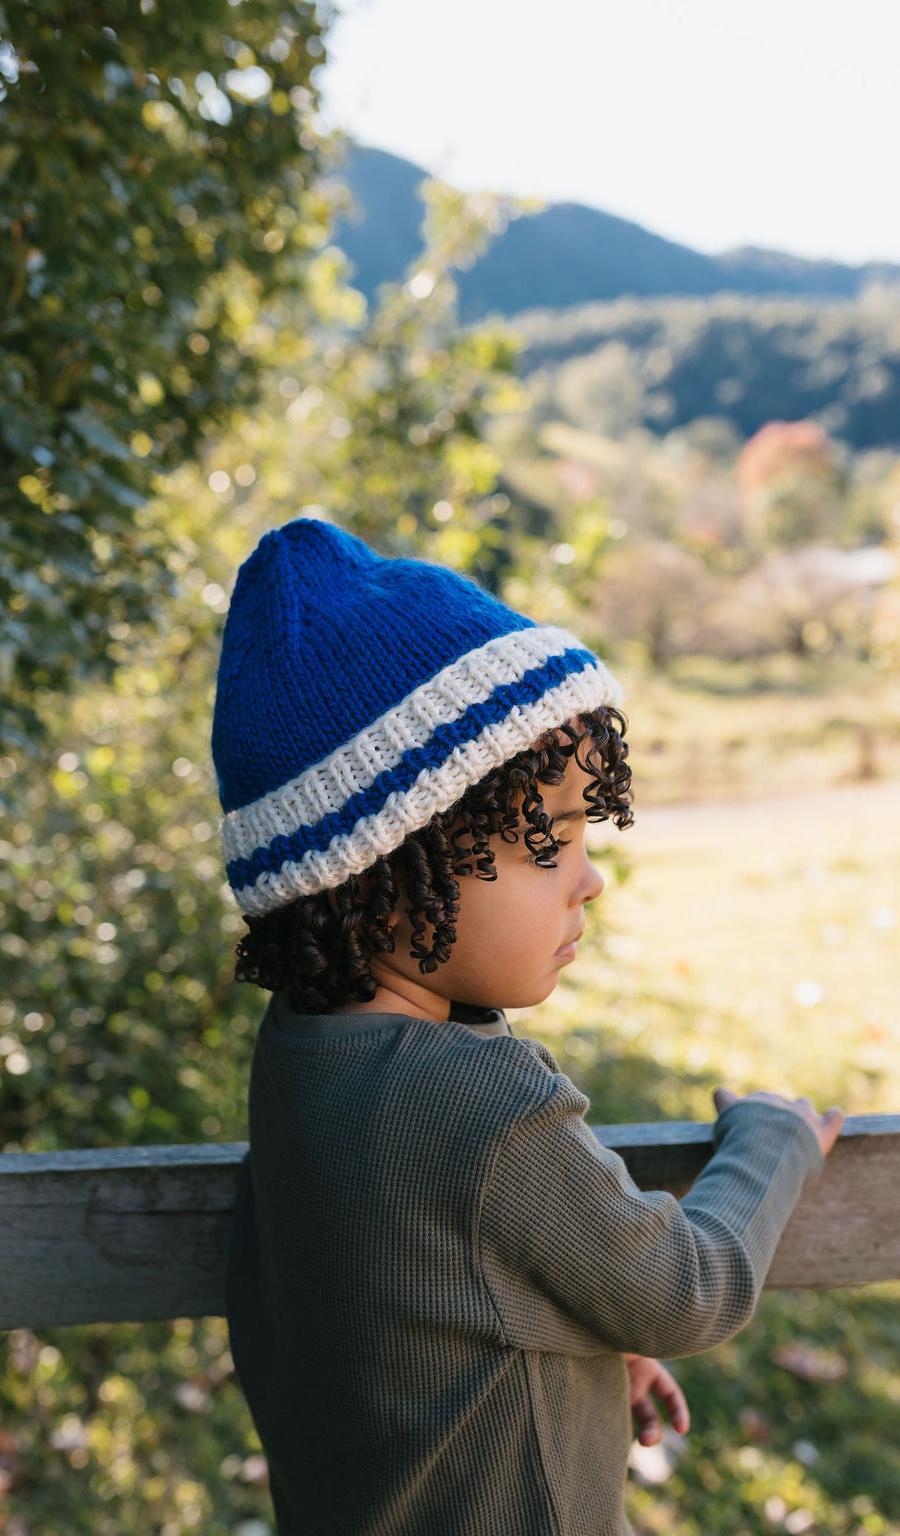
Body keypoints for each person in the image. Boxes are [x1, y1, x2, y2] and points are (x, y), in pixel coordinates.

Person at [210, 517, 843, 1536]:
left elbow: (410, 1291)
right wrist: (773, 1139)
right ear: (392, 865)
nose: (589, 880)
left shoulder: (301, 1052)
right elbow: (688, 1292)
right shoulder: (480, 1102)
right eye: (547, 843)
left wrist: (578, 1330)